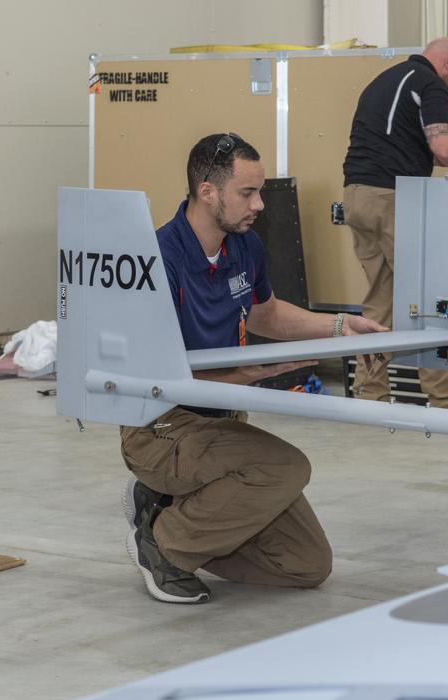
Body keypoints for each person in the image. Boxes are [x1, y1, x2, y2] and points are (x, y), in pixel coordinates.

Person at [121, 132, 387, 604]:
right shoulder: (158, 257)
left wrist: (339, 326)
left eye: (259, 192)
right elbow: (153, 375)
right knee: (284, 467)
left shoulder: (243, 246)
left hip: (223, 418)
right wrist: (249, 373)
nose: (260, 205)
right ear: (207, 191)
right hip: (161, 424)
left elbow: (265, 313)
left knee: (305, 565)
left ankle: (166, 506)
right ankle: (164, 545)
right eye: (247, 193)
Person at [342, 37, 448, 413]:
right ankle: (447, 400)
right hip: (394, 199)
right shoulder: (428, 83)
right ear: (447, 62)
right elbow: (445, 147)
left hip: (357, 195)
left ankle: (370, 396)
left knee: (380, 301)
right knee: (432, 300)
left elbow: (403, 143)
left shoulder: (384, 80)